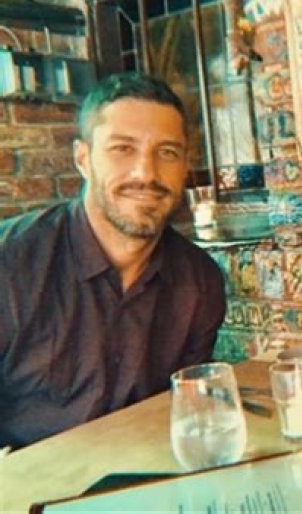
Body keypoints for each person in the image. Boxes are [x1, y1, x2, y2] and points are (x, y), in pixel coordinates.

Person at [0, 72, 226, 449]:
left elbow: (187, 412)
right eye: (123, 148)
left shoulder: (200, 281)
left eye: (167, 152)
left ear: (185, 165)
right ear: (83, 159)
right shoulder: (12, 263)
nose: (146, 173)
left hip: (148, 472)